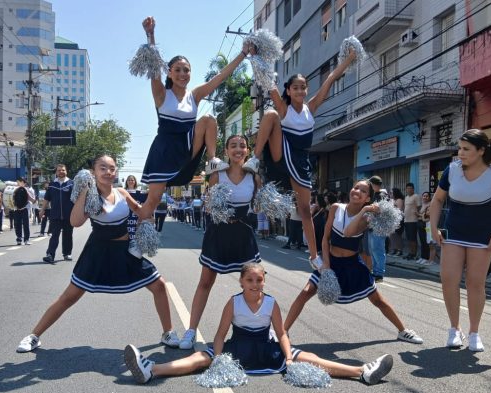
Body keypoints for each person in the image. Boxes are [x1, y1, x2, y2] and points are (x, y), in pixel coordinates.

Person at [124, 262, 394, 385]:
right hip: (236, 349)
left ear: (264, 281)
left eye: (259, 280)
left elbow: (282, 333)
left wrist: (288, 356)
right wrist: (219, 358)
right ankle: (152, 370)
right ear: (241, 282)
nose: (254, 285)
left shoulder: (271, 303)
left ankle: (361, 371)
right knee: (200, 357)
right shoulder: (233, 301)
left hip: (267, 351)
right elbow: (219, 334)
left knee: (307, 357)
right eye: (249, 281)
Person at [16, 155, 181, 353]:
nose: (108, 172)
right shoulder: (90, 196)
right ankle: (34, 335)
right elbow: (75, 222)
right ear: (93, 172)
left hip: (126, 251)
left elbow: (140, 211)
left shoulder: (121, 192)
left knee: (159, 285)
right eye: (102, 168)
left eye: (111, 168)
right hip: (98, 252)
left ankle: (168, 332)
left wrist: (150, 211)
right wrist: (85, 190)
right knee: (69, 297)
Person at [132, 16, 252, 225]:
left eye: (186, 70)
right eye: (177, 69)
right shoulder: (162, 94)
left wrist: (243, 53)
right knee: (152, 201)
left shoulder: (194, 95)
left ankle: (213, 161)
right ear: (169, 72)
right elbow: (153, 68)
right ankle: (139, 243)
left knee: (208, 119)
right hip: (164, 149)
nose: (182, 73)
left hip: (187, 146)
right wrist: (151, 35)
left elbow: (221, 77)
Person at [246, 51, 357, 271]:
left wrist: (349, 58)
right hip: (282, 152)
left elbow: (331, 78)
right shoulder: (284, 108)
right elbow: (269, 81)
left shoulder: (311, 108)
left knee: (305, 210)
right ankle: (255, 159)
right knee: (269, 114)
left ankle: (314, 257)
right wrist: (256, 56)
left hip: (301, 161)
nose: (300, 91)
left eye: (303, 87)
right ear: (288, 90)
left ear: (306, 90)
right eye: (295, 87)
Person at [283, 179, 423, 345]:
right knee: (305, 293)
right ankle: (283, 331)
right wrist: (326, 265)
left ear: (368, 199)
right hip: (332, 261)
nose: (357, 191)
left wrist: (364, 211)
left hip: (353, 265)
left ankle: (403, 331)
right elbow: (326, 239)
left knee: (378, 300)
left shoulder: (367, 218)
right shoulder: (335, 207)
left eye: (363, 191)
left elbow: (348, 232)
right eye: (356, 187)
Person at [428, 129, 491, 352]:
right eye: (459, 148)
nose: (460, 153)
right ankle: (454, 329)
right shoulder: (452, 169)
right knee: (449, 278)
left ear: (481, 150)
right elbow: (438, 200)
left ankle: (474, 332)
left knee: (475, 283)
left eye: (466, 149)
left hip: (483, 234)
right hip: (454, 230)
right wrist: (433, 228)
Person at [176, 134, 262, 350]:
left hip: (243, 234)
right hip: (219, 233)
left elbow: (258, 206)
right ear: (226, 151)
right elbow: (208, 206)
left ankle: (261, 328)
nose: (238, 149)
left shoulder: (254, 177)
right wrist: (215, 207)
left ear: (248, 151)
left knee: (253, 283)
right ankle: (190, 331)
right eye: (233, 146)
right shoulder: (216, 176)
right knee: (205, 282)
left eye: (242, 146)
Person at [40, 164, 74, 264]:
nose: (61, 172)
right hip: (55, 215)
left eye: (63, 170)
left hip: (69, 215)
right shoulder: (52, 185)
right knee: (54, 235)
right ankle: (50, 255)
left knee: (68, 235)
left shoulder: (72, 183)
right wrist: (42, 210)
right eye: (59, 170)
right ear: (56, 172)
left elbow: (77, 199)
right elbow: (46, 199)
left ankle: (67, 253)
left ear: (66, 171)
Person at [367, 176, 387, 280]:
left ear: (373, 184)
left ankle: (379, 273)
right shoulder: (375, 194)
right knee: (373, 250)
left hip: (379, 226)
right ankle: (375, 271)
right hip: (373, 226)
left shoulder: (382, 195)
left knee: (377, 249)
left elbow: (380, 210)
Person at [13, 177, 35, 245]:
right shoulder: (15, 189)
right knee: (17, 224)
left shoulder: (28, 189)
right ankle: (19, 239)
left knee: (26, 225)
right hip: (16, 208)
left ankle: (26, 239)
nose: (18, 183)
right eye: (18, 181)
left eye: (20, 181)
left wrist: (32, 199)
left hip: (25, 208)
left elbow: (32, 199)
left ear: (24, 182)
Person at [403, 183, 422, 260]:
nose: (409, 189)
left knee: (413, 238)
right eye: (408, 188)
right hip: (406, 220)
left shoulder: (416, 196)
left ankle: (414, 254)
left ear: (413, 189)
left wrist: (417, 215)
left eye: (411, 188)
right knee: (409, 238)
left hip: (413, 220)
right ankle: (411, 253)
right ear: (406, 189)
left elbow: (419, 207)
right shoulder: (406, 197)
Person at [389, 188, 405, 256]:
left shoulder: (399, 200)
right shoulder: (392, 200)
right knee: (392, 235)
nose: (390, 194)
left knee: (398, 236)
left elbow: (399, 210)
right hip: (392, 219)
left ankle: (399, 250)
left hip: (398, 220)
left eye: (391, 193)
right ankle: (394, 249)